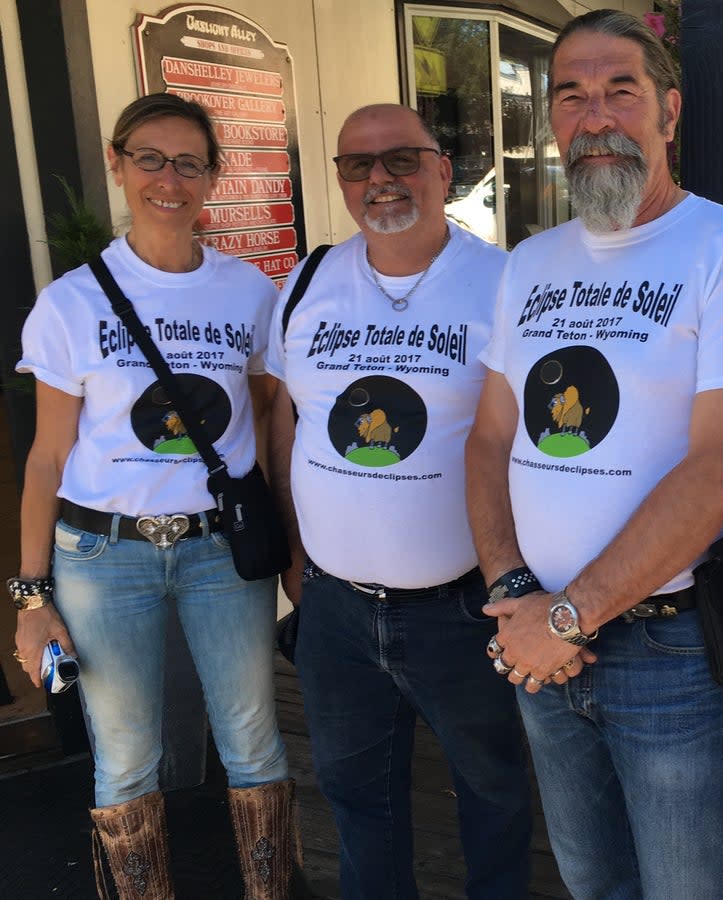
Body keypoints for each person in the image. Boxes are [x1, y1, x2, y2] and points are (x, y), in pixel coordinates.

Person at [465, 10, 723, 899]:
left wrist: (567, 617)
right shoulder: (528, 264)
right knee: (591, 882)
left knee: (688, 889)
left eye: (622, 90)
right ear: (552, 122)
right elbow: (493, 437)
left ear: (669, 110)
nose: (597, 114)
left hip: (672, 652)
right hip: (539, 637)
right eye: (572, 95)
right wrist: (511, 594)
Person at [11, 93, 295, 899]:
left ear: (213, 175)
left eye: (188, 162)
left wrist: (290, 541)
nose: (168, 179)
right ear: (117, 161)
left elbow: (270, 421)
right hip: (104, 556)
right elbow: (46, 458)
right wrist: (31, 597)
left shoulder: (250, 293)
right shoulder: (72, 301)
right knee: (126, 752)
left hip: (218, 550)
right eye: (149, 158)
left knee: (253, 739)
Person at [265, 104, 531, 900]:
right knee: (357, 802)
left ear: (444, 171)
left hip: (463, 609)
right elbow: (285, 429)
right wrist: (294, 565)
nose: (379, 179)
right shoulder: (307, 281)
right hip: (335, 610)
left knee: (493, 795)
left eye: (402, 160)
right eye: (358, 165)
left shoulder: (507, 283)